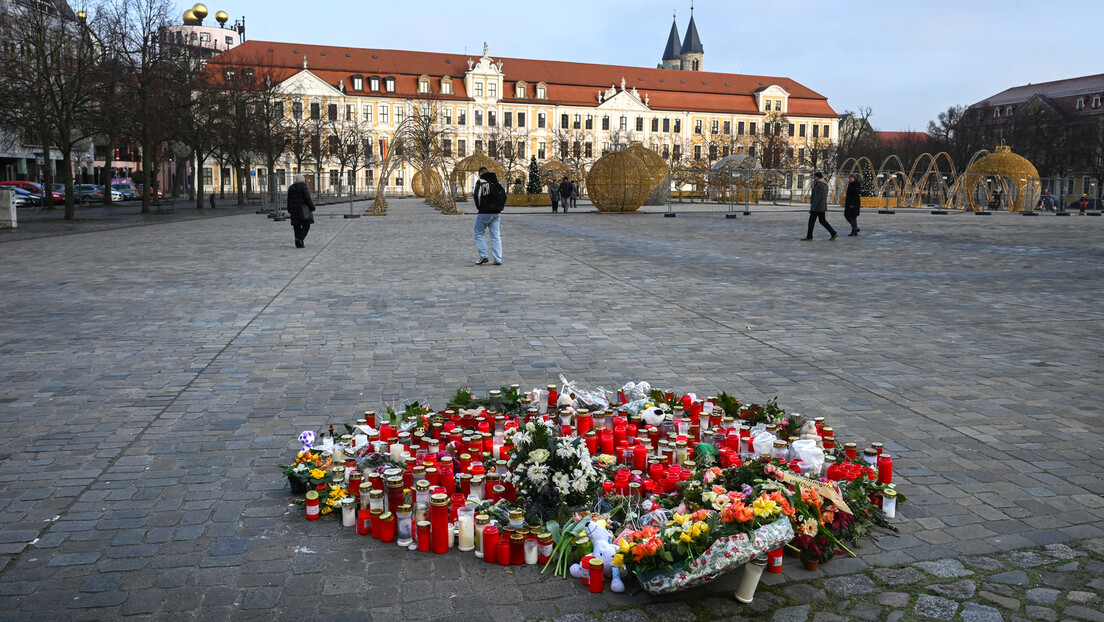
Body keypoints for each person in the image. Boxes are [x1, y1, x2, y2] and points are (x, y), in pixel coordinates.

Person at [472, 167, 503, 265]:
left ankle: (484, 255)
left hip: (485, 211)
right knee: (495, 235)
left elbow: (477, 196)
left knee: (478, 232)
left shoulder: (481, 182)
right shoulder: (496, 182)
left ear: (480, 173)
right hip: (497, 212)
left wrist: (480, 208)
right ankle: (498, 258)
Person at [802, 172, 837, 241]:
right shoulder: (825, 184)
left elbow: (817, 197)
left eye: (815, 177)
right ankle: (833, 233)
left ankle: (809, 236)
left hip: (817, 207)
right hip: (822, 206)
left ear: (818, 177)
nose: (814, 178)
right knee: (822, 221)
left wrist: (813, 208)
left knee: (811, 221)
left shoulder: (819, 185)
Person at [287, 174, 315, 248]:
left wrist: (289, 209)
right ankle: (300, 238)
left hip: (293, 209)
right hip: (303, 210)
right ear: (302, 180)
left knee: (296, 226)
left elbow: (288, 200)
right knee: (306, 225)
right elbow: (307, 199)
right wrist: (312, 207)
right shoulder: (304, 187)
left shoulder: (291, 187)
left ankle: (298, 242)